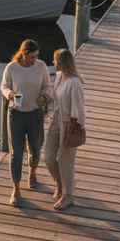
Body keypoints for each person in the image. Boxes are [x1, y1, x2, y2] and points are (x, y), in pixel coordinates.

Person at [0, 39, 51, 206]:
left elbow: (47, 86)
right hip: (16, 114)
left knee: (35, 147)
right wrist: (11, 95)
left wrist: (44, 96)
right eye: (32, 57)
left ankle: (32, 172)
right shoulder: (12, 67)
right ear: (23, 54)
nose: (35, 60)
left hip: (35, 113)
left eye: (36, 56)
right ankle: (16, 188)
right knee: (16, 152)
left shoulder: (41, 66)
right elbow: (4, 86)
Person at [44, 48, 85, 211]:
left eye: (55, 61)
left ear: (61, 63)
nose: (53, 63)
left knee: (65, 161)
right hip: (56, 121)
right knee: (48, 157)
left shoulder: (75, 83)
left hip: (69, 124)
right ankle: (59, 183)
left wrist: (73, 128)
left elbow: (79, 111)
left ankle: (67, 196)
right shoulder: (60, 76)